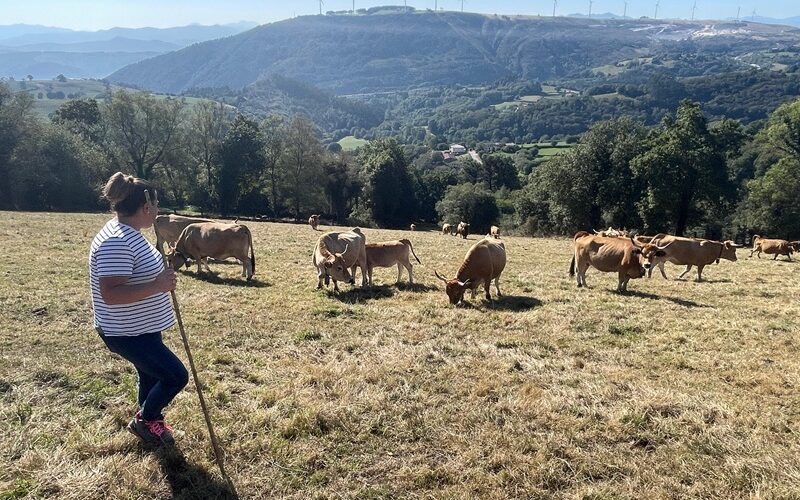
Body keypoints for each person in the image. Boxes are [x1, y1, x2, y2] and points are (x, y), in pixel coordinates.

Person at [89, 172, 187, 445]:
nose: (157, 210)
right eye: (155, 205)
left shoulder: (128, 232)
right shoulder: (116, 242)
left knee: (150, 372)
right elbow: (111, 294)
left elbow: (135, 272)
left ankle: (149, 421)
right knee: (175, 376)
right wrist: (158, 285)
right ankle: (145, 419)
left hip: (140, 326)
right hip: (126, 332)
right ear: (146, 207)